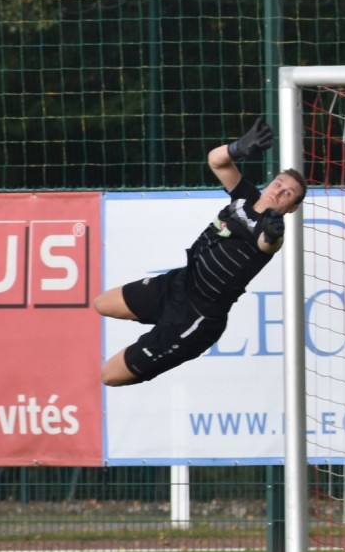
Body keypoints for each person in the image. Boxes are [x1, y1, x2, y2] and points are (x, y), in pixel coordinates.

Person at [94, 118, 307, 386]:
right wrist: (238, 148)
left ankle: (167, 346)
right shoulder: (244, 197)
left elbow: (268, 243)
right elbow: (217, 162)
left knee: (109, 376)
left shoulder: (269, 228)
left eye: (289, 193)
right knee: (102, 304)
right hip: (178, 284)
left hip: (196, 317)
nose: (280, 192)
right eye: (279, 183)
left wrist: (275, 234)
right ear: (270, 183)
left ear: (292, 208)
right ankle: (160, 330)